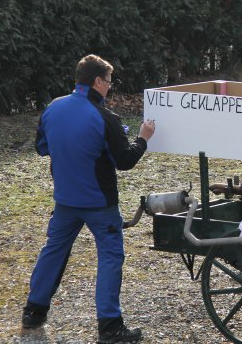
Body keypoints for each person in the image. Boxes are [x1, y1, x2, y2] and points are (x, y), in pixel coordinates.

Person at [22, 54, 155, 343]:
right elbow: (125, 160)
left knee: (53, 251)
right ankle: (109, 325)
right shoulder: (106, 117)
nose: (110, 86)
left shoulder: (52, 108)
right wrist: (143, 138)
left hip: (65, 200)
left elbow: (42, 147)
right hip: (99, 204)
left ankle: (33, 311)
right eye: (108, 81)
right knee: (110, 257)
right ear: (97, 81)